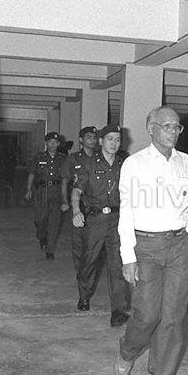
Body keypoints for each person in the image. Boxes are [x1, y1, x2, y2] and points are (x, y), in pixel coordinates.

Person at [113, 106, 188, 375]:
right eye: (166, 125)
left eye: (177, 126)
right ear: (150, 128)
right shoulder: (135, 164)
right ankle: (128, 351)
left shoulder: (186, 162)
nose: (172, 131)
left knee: (174, 316)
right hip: (147, 247)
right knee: (147, 315)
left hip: (180, 245)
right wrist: (128, 256)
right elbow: (126, 211)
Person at [71, 125, 130, 326]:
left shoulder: (125, 164)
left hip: (117, 220)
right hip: (95, 220)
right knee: (89, 261)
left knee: (117, 264)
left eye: (118, 139)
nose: (114, 143)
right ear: (101, 141)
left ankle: (119, 310)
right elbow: (77, 190)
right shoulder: (88, 164)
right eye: (110, 139)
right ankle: (84, 294)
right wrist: (76, 211)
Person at [60, 126, 98, 307]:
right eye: (88, 137)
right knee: (78, 248)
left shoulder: (101, 158)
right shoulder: (72, 159)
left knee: (92, 252)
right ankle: (82, 274)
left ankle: (84, 293)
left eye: (94, 137)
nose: (92, 139)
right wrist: (65, 200)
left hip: (98, 210)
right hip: (79, 207)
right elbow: (66, 181)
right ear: (81, 140)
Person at [25, 131, 69, 260]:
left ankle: (50, 249)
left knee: (54, 222)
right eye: (50, 142)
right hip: (41, 192)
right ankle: (42, 236)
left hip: (56, 191)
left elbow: (65, 180)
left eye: (55, 142)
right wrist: (28, 189)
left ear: (59, 144)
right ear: (46, 143)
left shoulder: (62, 159)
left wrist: (65, 199)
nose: (52, 144)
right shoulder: (39, 158)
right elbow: (32, 173)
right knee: (40, 220)